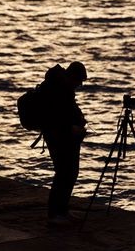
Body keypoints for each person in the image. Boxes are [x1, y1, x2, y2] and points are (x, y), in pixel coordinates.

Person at [40, 61, 87, 226]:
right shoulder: (58, 89)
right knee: (63, 173)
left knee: (71, 172)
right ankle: (54, 214)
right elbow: (54, 117)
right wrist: (71, 128)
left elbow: (69, 110)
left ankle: (63, 210)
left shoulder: (64, 88)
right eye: (79, 81)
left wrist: (79, 119)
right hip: (58, 136)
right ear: (72, 77)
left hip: (65, 136)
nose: (79, 85)